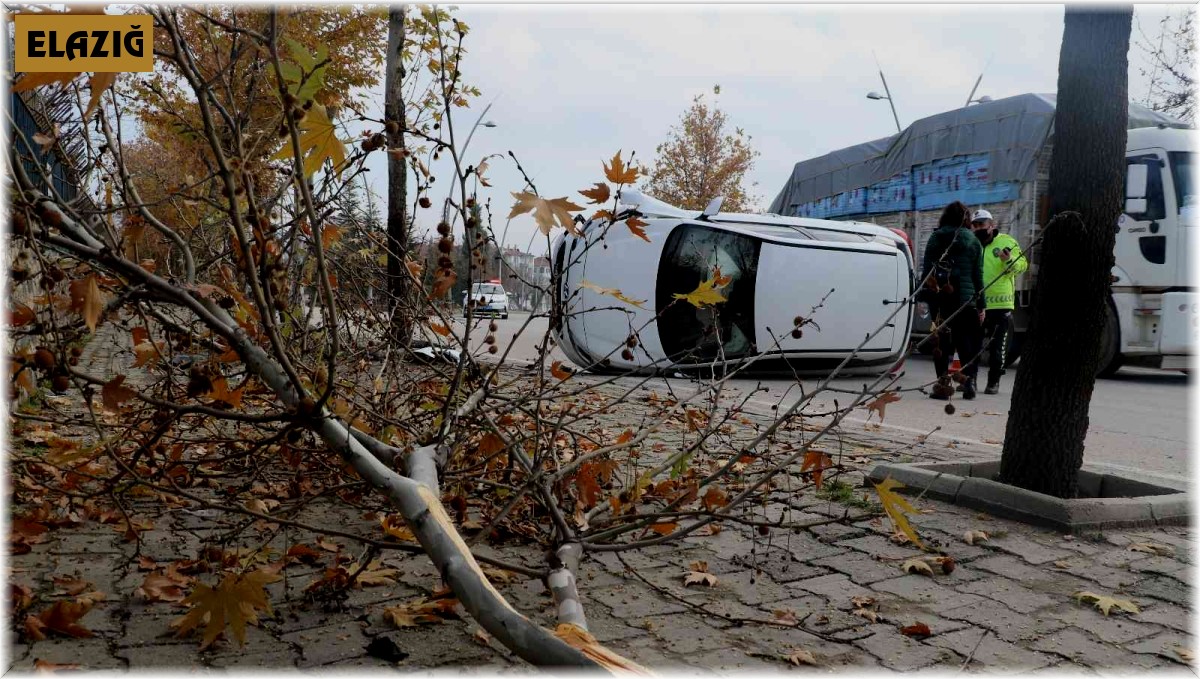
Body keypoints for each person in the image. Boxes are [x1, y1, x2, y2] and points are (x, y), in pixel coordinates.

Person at [920, 201, 984, 400]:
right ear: (966, 219)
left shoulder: (936, 238)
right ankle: (969, 383)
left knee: (942, 342)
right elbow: (978, 275)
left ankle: (942, 385)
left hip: (941, 298)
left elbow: (928, 271)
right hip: (966, 299)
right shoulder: (974, 241)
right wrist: (982, 304)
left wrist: (924, 297)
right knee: (966, 342)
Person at [972, 209, 1028, 394]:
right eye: (976, 225)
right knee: (971, 346)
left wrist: (1008, 260)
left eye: (983, 224)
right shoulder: (972, 244)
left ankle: (993, 382)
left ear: (992, 225)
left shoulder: (1007, 242)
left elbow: (1022, 265)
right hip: (975, 304)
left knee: (997, 348)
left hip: (999, 305)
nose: (980, 228)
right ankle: (970, 381)